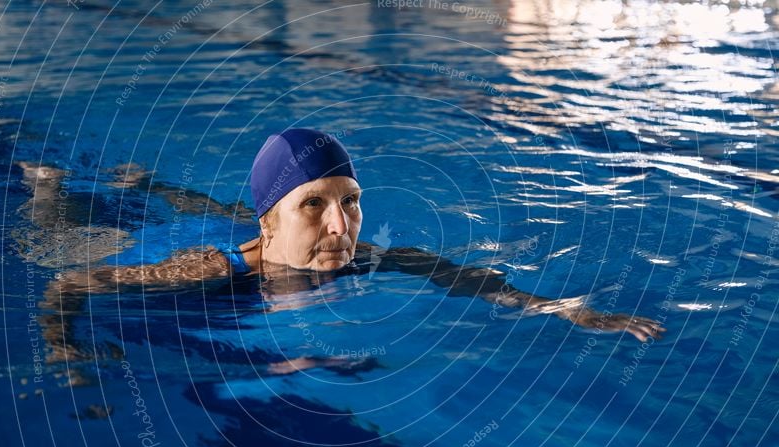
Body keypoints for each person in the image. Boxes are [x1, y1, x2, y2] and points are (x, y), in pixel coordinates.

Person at [40, 127, 664, 366]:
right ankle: (49, 185)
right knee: (58, 237)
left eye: (351, 200)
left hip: (247, 224)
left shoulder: (354, 253)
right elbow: (67, 285)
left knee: (225, 211)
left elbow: (462, 278)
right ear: (274, 224)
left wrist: (567, 310)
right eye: (314, 204)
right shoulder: (203, 271)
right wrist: (64, 347)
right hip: (169, 245)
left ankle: (149, 183)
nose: (343, 226)